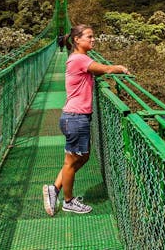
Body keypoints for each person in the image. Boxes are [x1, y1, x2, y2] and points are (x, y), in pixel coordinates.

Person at [43, 24, 129, 216]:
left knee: (82, 157)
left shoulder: (80, 59)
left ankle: (54, 189)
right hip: (75, 118)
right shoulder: (79, 59)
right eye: (89, 37)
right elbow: (105, 69)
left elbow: (96, 70)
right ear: (77, 40)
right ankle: (67, 201)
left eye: (93, 36)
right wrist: (119, 68)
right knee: (71, 161)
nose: (93, 39)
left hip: (76, 118)